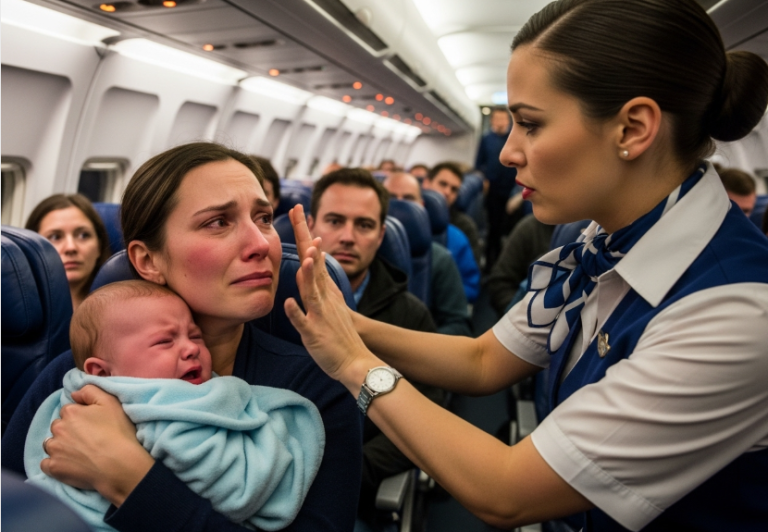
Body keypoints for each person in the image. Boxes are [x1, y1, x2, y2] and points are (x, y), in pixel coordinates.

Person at [283, 1, 768, 531]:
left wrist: (354, 362)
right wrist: (342, 321)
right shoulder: (600, 241)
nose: (508, 152)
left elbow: (506, 490)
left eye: (530, 124)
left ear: (632, 129)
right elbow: (481, 359)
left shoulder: (737, 313)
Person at [3, 142, 363, 532]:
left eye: (262, 218)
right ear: (148, 260)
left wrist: (133, 479)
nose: (262, 244)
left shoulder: (315, 389)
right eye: (218, 222)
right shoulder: (77, 376)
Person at [26, 280, 324, 532]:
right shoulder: (73, 390)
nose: (192, 347)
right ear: (102, 373)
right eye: (165, 342)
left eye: (196, 336)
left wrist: (128, 474)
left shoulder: (313, 381)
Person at [306, 168, 444, 532]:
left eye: (364, 225)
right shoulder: (274, 307)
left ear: (382, 235)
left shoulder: (409, 316)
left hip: (357, 492)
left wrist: (351, 470)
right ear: (309, 225)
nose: (347, 237)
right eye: (334, 221)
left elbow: (427, 411)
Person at [383, 172, 473, 336]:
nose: (399, 206)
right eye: (391, 198)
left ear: (421, 205)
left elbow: (459, 326)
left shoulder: (440, 259)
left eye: (408, 199)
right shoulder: (364, 254)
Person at [25, 193, 111, 310]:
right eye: (55, 237)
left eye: (83, 235)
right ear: (32, 249)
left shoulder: (117, 307)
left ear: (100, 247)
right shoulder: (16, 311)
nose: (71, 248)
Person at [475, 108, 519, 271]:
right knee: (493, 227)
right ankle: (490, 263)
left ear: (508, 121)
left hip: (512, 189)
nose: (500, 122)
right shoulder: (486, 139)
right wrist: (484, 178)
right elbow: (478, 164)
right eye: (497, 119)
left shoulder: (514, 138)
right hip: (492, 190)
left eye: (503, 119)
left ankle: (505, 262)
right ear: (492, 121)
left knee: (508, 228)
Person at [487, 214, 555, 316]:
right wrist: (522, 315)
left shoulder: (584, 236)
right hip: (526, 318)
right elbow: (499, 282)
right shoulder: (529, 229)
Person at [423, 162, 482, 263]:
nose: (447, 192)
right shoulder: (410, 218)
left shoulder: (464, 226)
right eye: (443, 184)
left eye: (454, 189)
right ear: (426, 183)